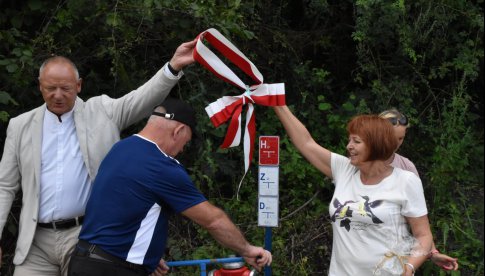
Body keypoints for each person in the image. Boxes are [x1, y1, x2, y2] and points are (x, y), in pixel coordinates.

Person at [0, 38, 197, 276]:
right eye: (51, 88)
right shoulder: (19, 125)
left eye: (66, 88)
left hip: (88, 237)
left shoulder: (102, 111)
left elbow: (142, 98)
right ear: (40, 86)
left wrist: (173, 67)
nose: (58, 95)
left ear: (79, 85)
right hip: (34, 243)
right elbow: (5, 186)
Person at [67, 98, 272, 276]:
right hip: (114, 269)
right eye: (186, 141)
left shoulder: (121, 148)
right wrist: (247, 250)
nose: (182, 149)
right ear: (179, 130)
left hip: (84, 260)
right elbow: (213, 220)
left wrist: (146, 257)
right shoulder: (161, 166)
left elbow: (121, 210)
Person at [273, 105, 433, 275]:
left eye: (356, 141)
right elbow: (306, 143)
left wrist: (409, 267)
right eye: (350, 140)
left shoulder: (406, 181)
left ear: (376, 145)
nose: (349, 146)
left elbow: (423, 236)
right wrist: (277, 103)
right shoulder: (344, 169)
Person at [379, 108, 459, 271]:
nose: (396, 144)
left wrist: (432, 253)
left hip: (393, 260)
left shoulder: (406, 168)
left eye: (401, 138)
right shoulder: (357, 164)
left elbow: (419, 221)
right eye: (391, 138)